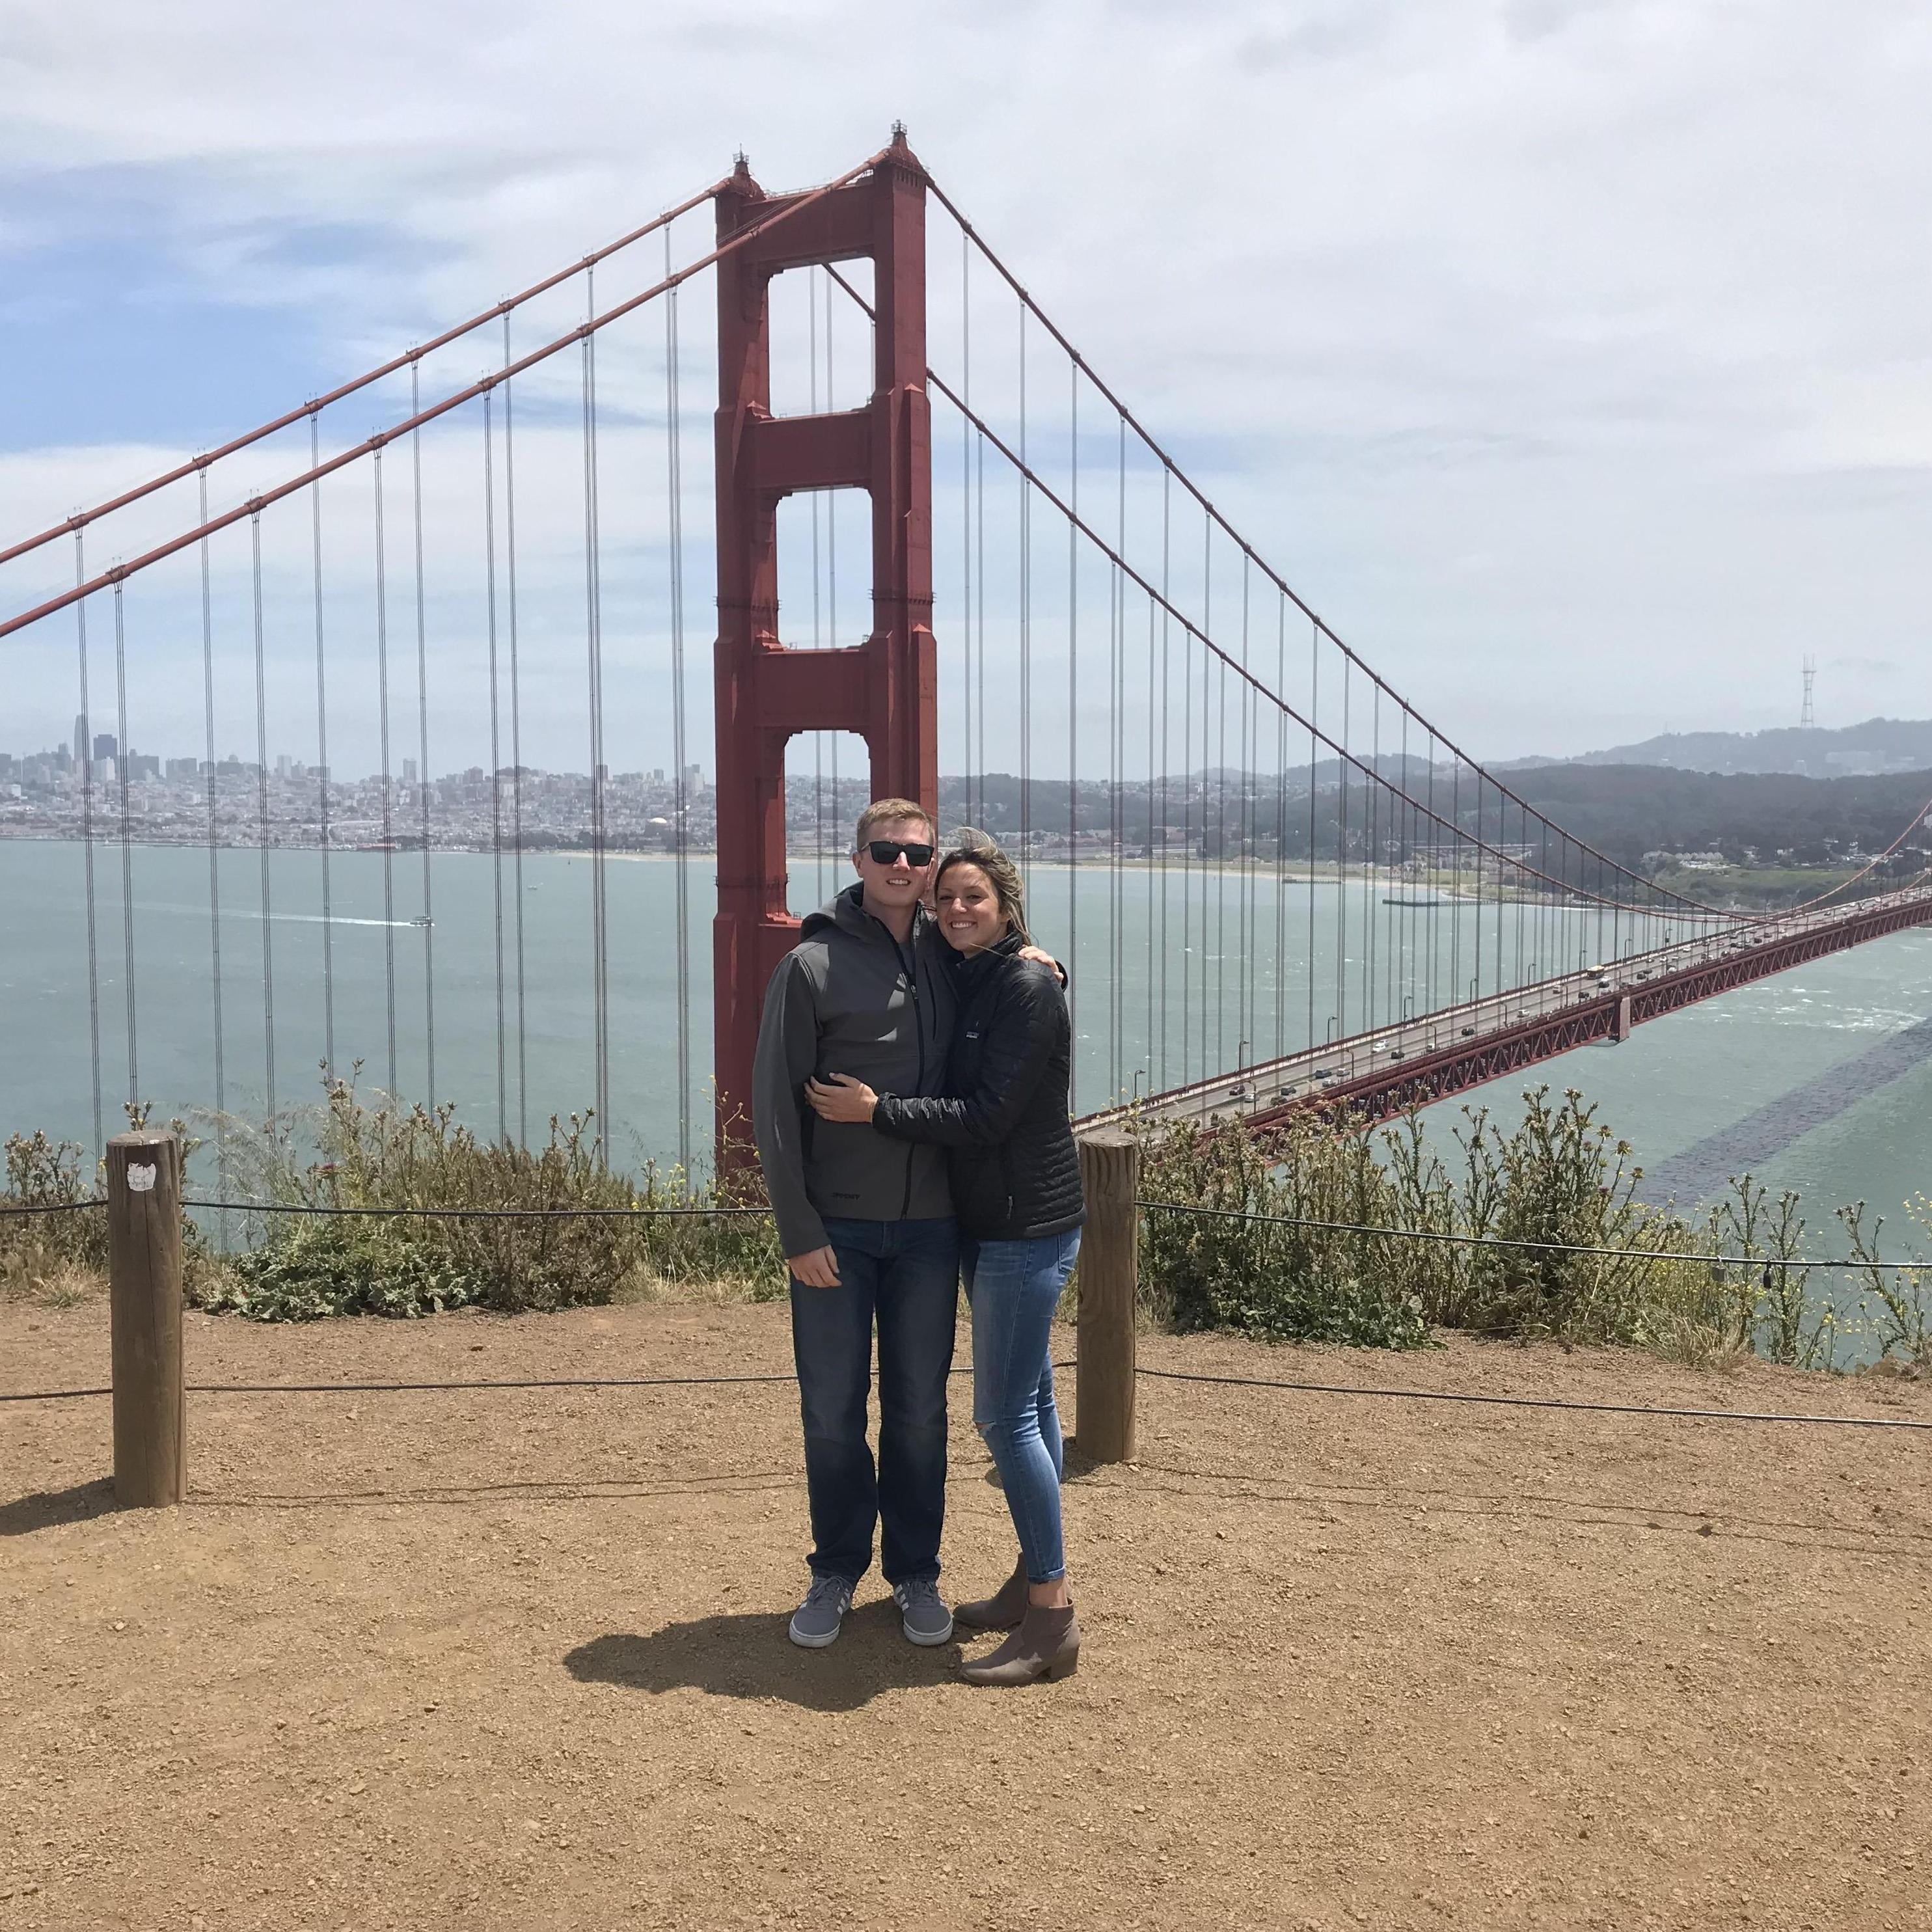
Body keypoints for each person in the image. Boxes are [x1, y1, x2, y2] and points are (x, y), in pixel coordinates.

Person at [807, 831, 1085, 1687]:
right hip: (990, 1222)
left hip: (1023, 1229)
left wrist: (875, 1111)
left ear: (1005, 905)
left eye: (975, 897)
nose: (957, 910)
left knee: (1001, 1418)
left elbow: (988, 1116)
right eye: (946, 899)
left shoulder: (1024, 985)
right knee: (1031, 1409)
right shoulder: (971, 971)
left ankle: (1051, 1616)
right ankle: (1027, 1578)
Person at [752, 800, 961, 1652]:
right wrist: (797, 1230)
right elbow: (773, 1106)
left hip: (930, 1230)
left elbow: (1016, 997)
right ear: (856, 856)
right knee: (833, 1412)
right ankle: (835, 1566)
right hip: (835, 1231)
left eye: (918, 852)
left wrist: (1042, 960)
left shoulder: (959, 956)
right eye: (886, 850)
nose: (902, 864)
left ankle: (915, 1573)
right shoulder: (809, 966)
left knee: (917, 1413)